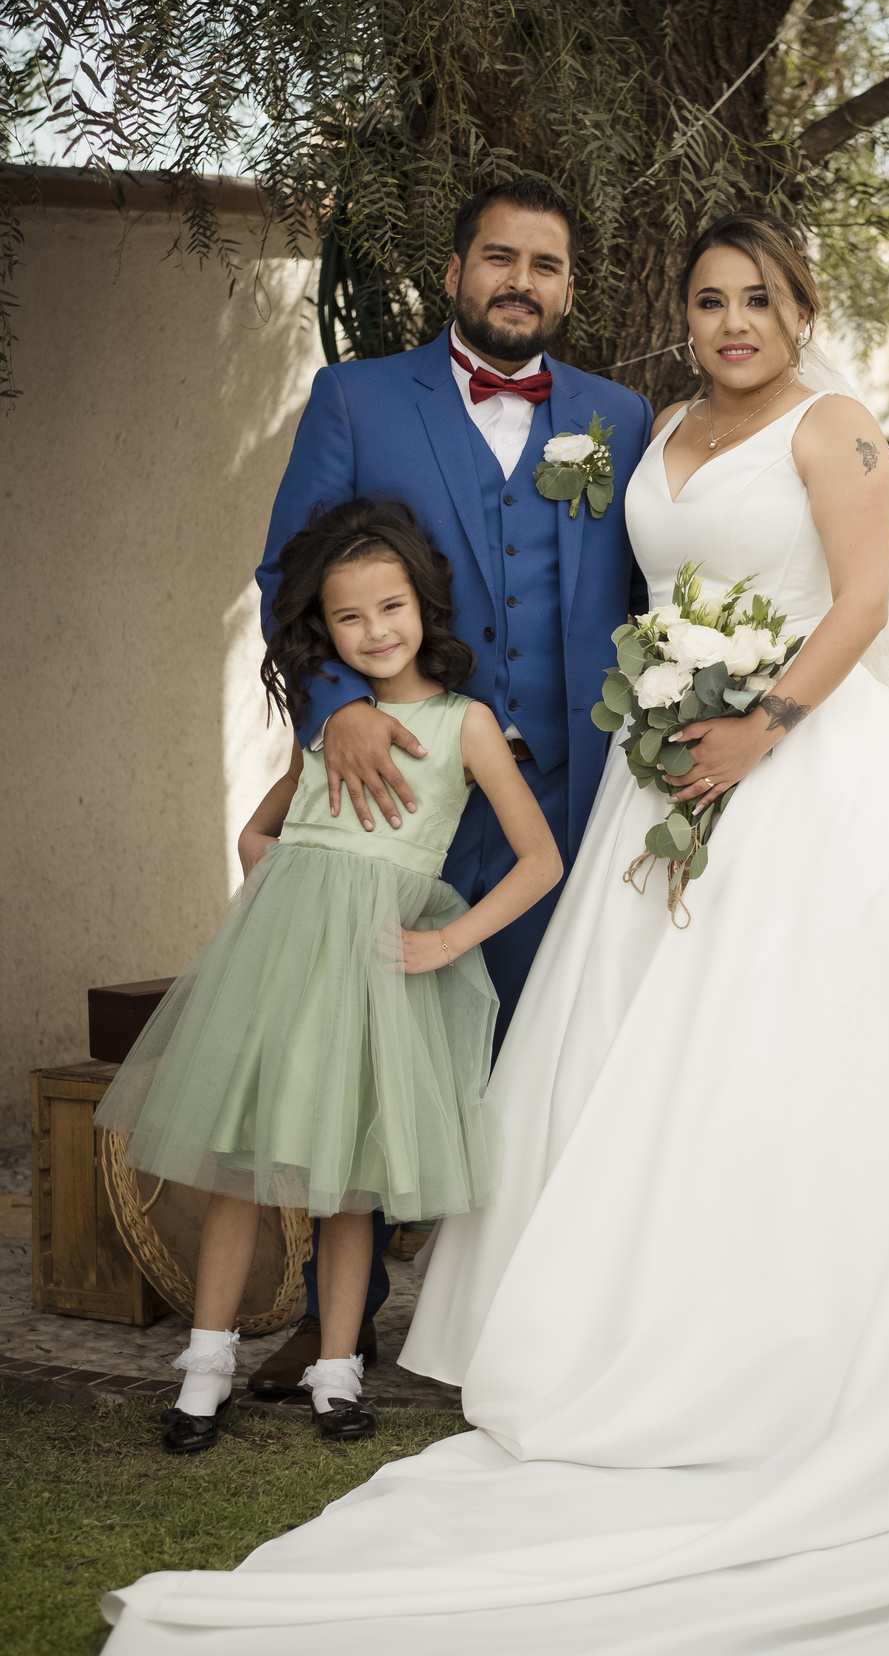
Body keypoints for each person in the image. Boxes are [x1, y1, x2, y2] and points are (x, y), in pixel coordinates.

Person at [102, 213, 889, 1653]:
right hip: (653, 773)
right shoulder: (655, 424)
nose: (733, 320)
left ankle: (796, 1344)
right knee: (641, 1057)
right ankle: (581, 1334)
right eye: (709, 298)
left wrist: (763, 729)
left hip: (807, 771)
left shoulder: (837, 429)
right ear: (679, 316)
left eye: (759, 298)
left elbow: (869, 601)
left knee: (794, 1052)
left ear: (803, 311)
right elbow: (539, 584)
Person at [245, 175, 654, 1398]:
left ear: (570, 287)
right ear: (456, 272)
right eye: (500, 258)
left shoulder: (620, 416)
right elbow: (288, 574)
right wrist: (340, 714)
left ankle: (532, 1327)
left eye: (547, 264)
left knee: (555, 1058)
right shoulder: (357, 397)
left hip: (566, 798)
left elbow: (645, 590)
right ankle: (337, 1327)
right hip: (398, 795)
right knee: (360, 1059)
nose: (522, 281)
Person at [95, 499, 562, 1452]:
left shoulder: (466, 725)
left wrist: (445, 941)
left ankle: (337, 1370)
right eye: (349, 617)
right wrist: (288, 892)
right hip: (283, 968)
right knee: (239, 1168)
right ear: (326, 628)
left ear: (425, 605)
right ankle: (207, 1364)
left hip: (375, 978)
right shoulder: (330, 719)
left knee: (352, 1181)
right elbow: (259, 831)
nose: (375, 631)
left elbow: (540, 861)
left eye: (391, 607)